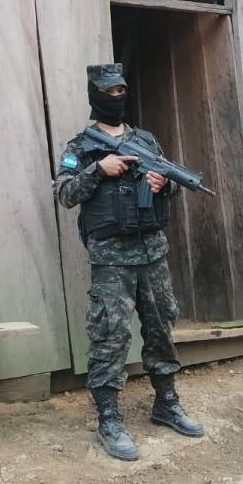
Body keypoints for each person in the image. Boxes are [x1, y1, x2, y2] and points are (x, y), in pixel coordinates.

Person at [54, 63, 204, 460]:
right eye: (109, 92)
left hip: (152, 252)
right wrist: (98, 170)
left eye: (122, 91)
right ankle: (109, 419)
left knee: (160, 329)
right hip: (110, 259)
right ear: (95, 95)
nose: (116, 97)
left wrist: (164, 184)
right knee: (110, 336)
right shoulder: (79, 147)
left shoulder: (146, 141)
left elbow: (168, 188)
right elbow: (66, 194)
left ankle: (166, 404)